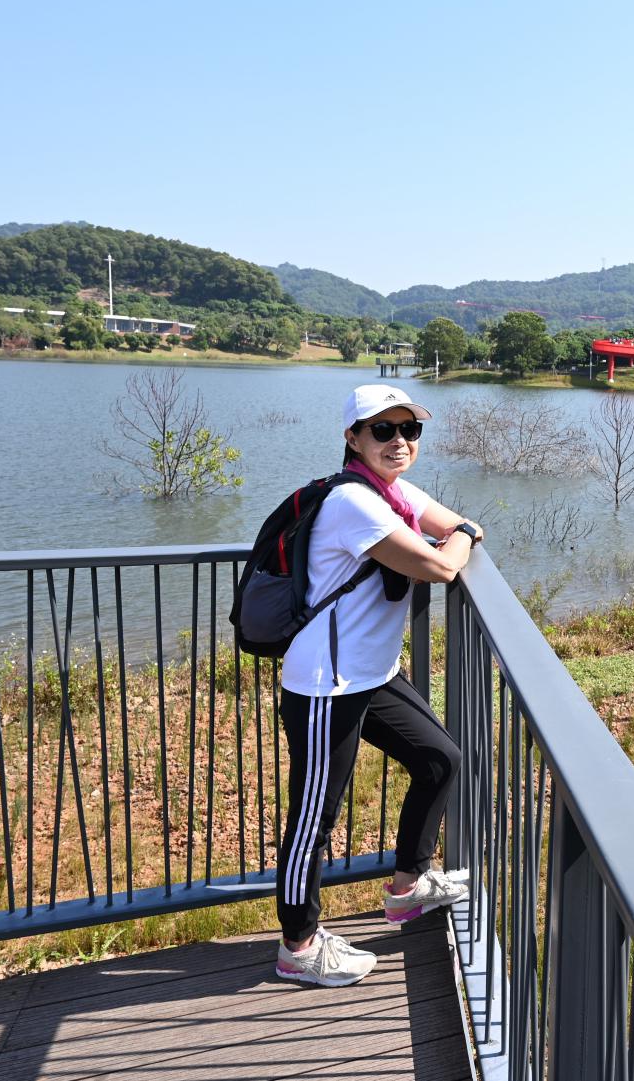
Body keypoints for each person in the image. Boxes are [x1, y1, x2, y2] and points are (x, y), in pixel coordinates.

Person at [274, 383, 484, 987]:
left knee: (440, 759)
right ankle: (297, 947)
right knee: (314, 820)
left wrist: (460, 529)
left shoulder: (394, 492)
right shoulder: (353, 501)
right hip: (327, 682)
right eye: (383, 430)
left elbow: (449, 525)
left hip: (374, 673)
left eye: (409, 430)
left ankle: (408, 886)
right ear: (353, 437)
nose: (399, 441)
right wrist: (465, 534)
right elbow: (441, 563)